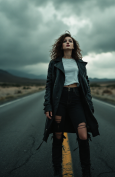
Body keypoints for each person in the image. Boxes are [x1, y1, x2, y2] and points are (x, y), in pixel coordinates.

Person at [36, 30, 100, 177]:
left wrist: (89, 103)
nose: (68, 42)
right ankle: (57, 170)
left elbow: (86, 84)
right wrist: (48, 105)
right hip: (60, 100)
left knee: (83, 135)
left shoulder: (80, 64)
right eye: (65, 41)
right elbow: (49, 84)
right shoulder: (55, 63)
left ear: (74, 46)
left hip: (77, 99)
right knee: (58, 135)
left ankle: (86, 171)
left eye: (70, 41)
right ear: (61, 45)